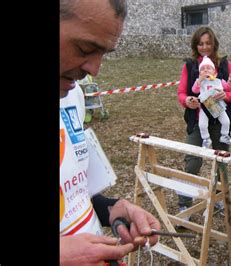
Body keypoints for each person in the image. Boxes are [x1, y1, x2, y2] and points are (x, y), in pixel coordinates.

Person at [60, 0, 161, 264]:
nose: (94, 69)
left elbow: (75, 195)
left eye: (103, 53)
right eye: (84, 48)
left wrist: (112, 209)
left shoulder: (72, 96)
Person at [177, 26, 231, 216]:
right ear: (196, 45)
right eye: (200, 43)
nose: (204, 47)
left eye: (208, 43)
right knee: (192, 161)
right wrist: (187, 101)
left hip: (221, 121)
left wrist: (226, 95)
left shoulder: (224, 65)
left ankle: (219, 200)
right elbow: (181, 93)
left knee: (221, 162)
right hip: (198, 121)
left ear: (214, 44)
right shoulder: (190, 66)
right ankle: (185, 203)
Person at [192, 56, 231, 148]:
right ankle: (206, 139)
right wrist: (199, 80)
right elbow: (194, 90)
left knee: (226, 121)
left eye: (208, 68)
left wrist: (230, 82)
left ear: (214, 71)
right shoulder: (199, 82)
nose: (206, 70)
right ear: (199, 73)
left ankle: (224, 135)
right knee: (202, 124)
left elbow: (227, 88)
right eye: (203, 69)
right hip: (206, 106)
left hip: (217, 105)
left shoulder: (219, 80)